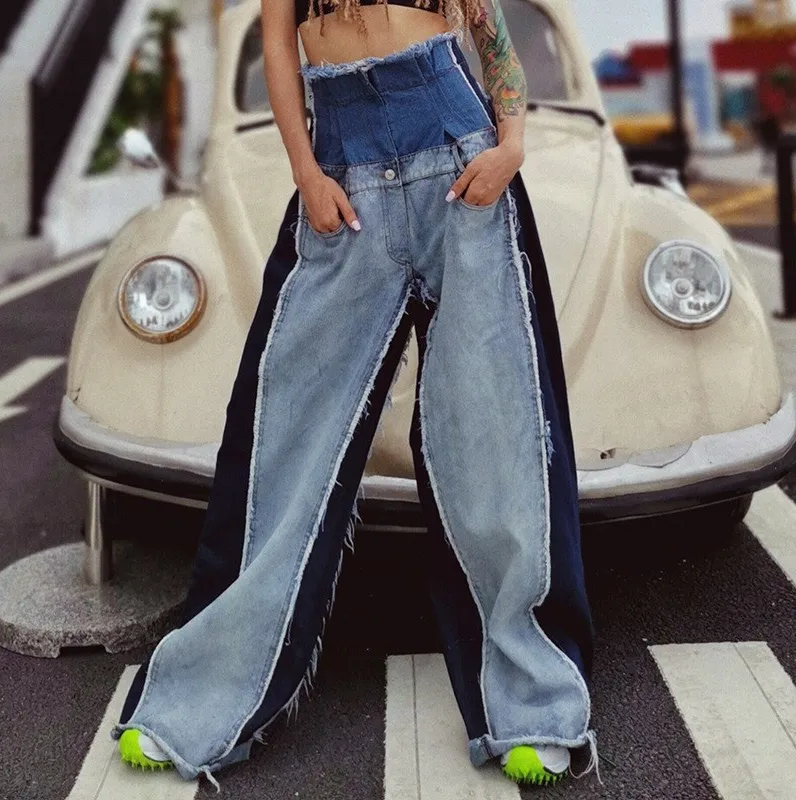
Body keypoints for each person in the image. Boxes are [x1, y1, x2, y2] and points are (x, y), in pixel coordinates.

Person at [109, 0, 599, 791]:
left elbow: (488, 29)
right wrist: (305, 171)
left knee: (495, 434)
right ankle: (199, 698)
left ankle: (535, 705)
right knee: (283, 439)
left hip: (459, 165)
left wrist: (511, 145)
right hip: (344, 179)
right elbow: (279, 46)